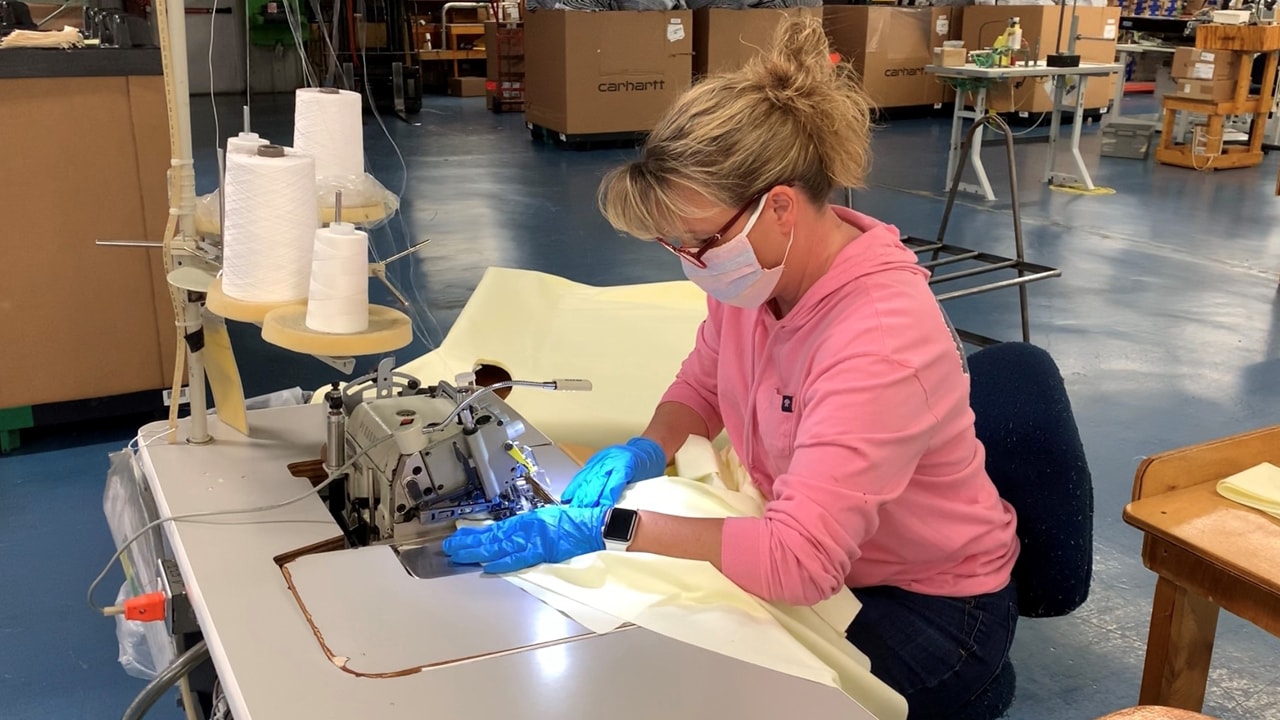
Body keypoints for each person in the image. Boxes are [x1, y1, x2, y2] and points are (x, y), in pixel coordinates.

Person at [443, 15, 1020, 718]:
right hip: (825, 555)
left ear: (778, 207)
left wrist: (615, 529)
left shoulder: (878, 336)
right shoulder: (760, 278)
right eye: (675, 246)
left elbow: (798, 563)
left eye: (698, 241)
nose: (691, 263)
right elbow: (702, 385)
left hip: (931, 612)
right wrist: (646, 447)